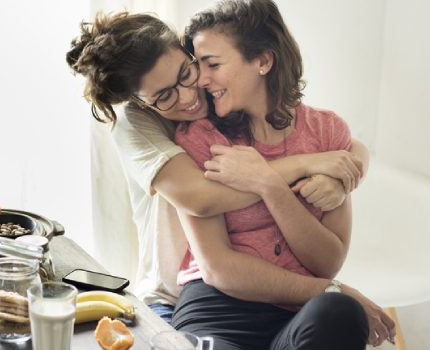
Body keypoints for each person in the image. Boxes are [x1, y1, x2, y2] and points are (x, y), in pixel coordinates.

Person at [65, 8, 376, 331]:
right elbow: (201, 198)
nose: (189, 96)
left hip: (273, 294)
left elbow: (343, 146)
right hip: (173, 294)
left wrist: (339, 177)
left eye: (188, 72)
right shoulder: (138, 123)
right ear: (143, 102)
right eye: (164, 97)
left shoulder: (221, 99)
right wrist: (298, 167)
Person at [169, 0, 395, 348]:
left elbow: (327, 262)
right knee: (337, 299)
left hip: (298, 314)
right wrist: (331, 289)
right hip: (218, 308)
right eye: (198, 66)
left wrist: (270, 184)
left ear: (263, 60)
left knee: (340, 312)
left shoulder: (326, 133)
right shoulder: (201, 137)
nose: (201, 79)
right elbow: (218, 270)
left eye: (212, 64)